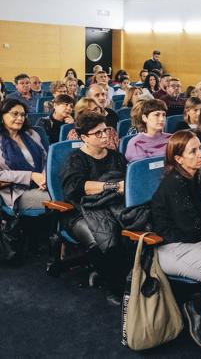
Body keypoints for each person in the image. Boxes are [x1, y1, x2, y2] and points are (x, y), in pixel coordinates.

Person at [150, 131, 201, 354]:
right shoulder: (174, 183)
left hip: (195, 242)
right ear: (178, 158)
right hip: (171, 248)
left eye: (200, 148)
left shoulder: (191, 178)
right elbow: (189, 228)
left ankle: (198, 301)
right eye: (193, 151)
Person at [61, 112, 128, 306]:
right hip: (78, 211)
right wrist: (113, 186)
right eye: (97, 133)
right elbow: (79, 187)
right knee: (101, 238)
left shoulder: (116, 157)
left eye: (105, 130)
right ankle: (113, 286)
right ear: (83, 137)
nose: (105, 135)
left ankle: (125, 275)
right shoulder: (75, 159)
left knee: (133, 228)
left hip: (112, 206)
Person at [0, 99, 49, 213]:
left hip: (43, 185)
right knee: (57, 199)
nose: (20, 118)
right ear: (2, 116)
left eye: (23, 115)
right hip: (17, 191)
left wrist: (45, 177)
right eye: (15, 114)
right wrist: (31, 176)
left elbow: (47, 160)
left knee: (68, 193)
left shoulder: (32, 134)